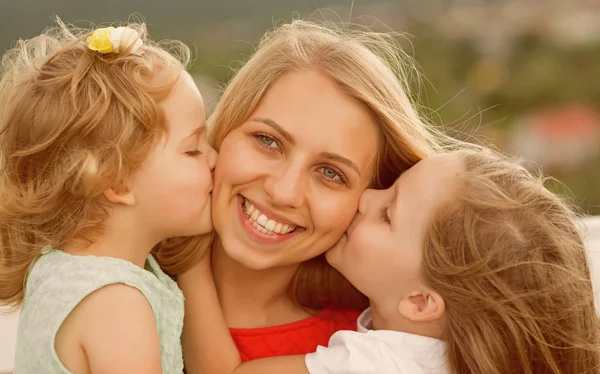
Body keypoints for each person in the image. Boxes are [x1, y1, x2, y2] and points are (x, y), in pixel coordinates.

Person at [175, 19, 454, 370]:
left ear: (369, 198)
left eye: (331, 174)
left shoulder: (371, 353)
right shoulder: (110, 275)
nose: (283, 191)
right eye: (267, 141)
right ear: (224, 129)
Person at [182, 148, 600, 374]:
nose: (366, 197)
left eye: (387, 214)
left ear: (420, 302)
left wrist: (187, 257)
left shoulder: (375, 366)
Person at [0, 19, 216, 374]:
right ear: (116, 182)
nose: (215, 159)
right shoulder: (116, 304)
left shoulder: (56, 267)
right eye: (193, 150)